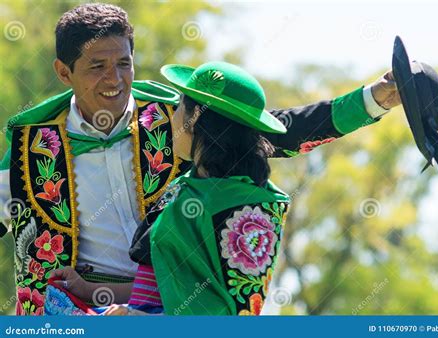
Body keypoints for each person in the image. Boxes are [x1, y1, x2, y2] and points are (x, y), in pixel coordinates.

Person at [0, 3, 400, 315]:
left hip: (175, 304)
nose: (115, 80)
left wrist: (373, 100)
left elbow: (274, 130)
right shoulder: (26, 148)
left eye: (124, 63)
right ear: (64, 72)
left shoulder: (176, 118)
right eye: (97, 67)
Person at [51, 61, 291, 315]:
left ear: (195, 116)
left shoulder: (231, 207)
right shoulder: (188, 187)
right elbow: (163, 288)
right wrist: (89, 291)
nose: (172, 118)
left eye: (178, 108)